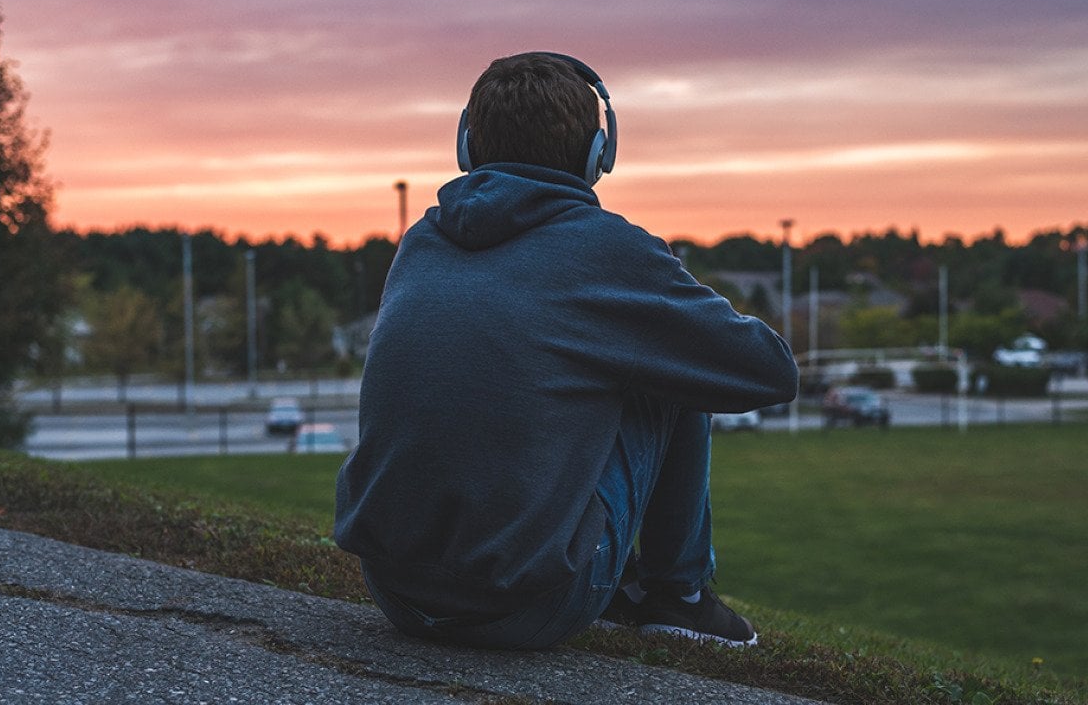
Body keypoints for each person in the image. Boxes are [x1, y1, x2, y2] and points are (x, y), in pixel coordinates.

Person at [333, 51, 798, 650]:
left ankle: (597, 559)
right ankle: (678, 598)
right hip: (529, 605)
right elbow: (770, 371)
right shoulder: (610, 251)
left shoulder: (422, 240)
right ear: (598, 155)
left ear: (467, 146)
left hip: (395, 590)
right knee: (675, 371)